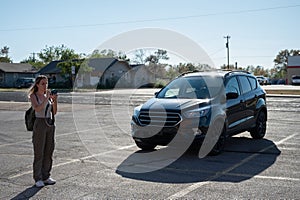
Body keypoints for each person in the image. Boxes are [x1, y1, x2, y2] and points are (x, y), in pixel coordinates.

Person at [28, 75, 58, 188]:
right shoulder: (33, 96)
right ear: (37, 85)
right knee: (39, 151)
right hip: (40, 123)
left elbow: (54, 112)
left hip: (49, 123)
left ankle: (46, 176)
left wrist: (54, 101)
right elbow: (37, 108)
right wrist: (46, 99)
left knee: (49, 151)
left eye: (46, 83)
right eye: (43, 84)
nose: (45, 86)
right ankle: (38, 177)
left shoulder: (48, 96)